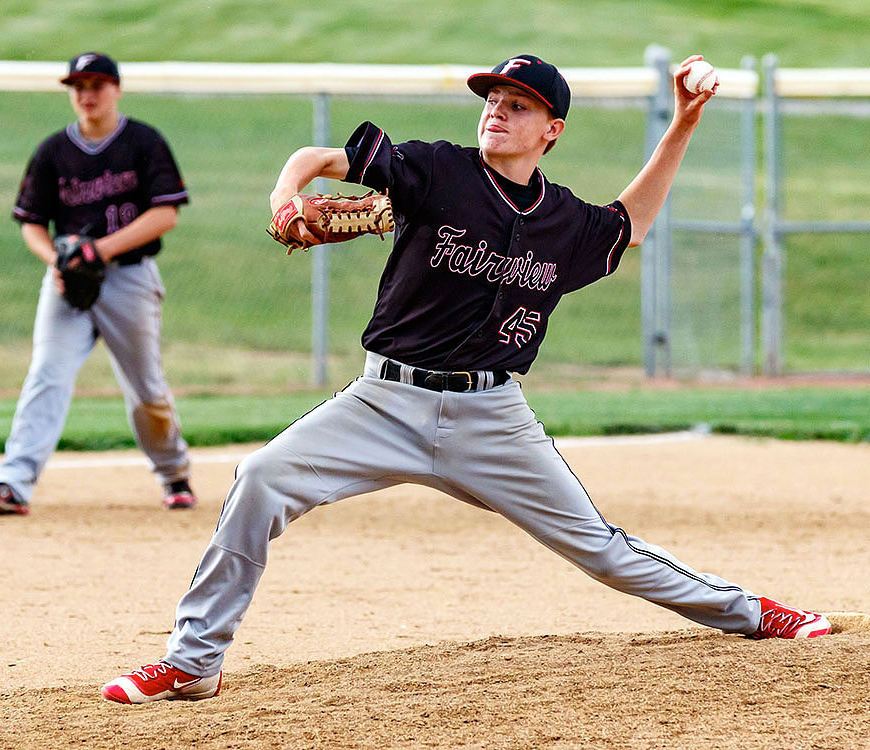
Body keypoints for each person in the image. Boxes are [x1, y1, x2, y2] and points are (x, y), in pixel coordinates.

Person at [101, 53, 831, 704]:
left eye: (518, 105)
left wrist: (683, 121)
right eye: (492, 99)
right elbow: (313, 157)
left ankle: (753, 611)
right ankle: (193, 662)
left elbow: (630, 225)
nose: (497, 111)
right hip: (384, 401)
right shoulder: (436, 170)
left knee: (604, 550)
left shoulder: (563, 221)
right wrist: (284, 195)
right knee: (260, 477)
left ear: (552, 130)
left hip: (494, 418)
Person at [0, 52, 197, 515]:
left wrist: (102, 249)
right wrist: (58, 257)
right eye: (78, 86)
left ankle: (174, 473)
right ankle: (13, 482)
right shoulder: (53, 150)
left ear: (116, 89)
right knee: (46, 374)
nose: (87, 95)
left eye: (96, 85)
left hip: (129, 278)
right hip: (66, 283)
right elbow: (31, 222)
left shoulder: (143, 142)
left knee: (146, 389)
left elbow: (165, 214)